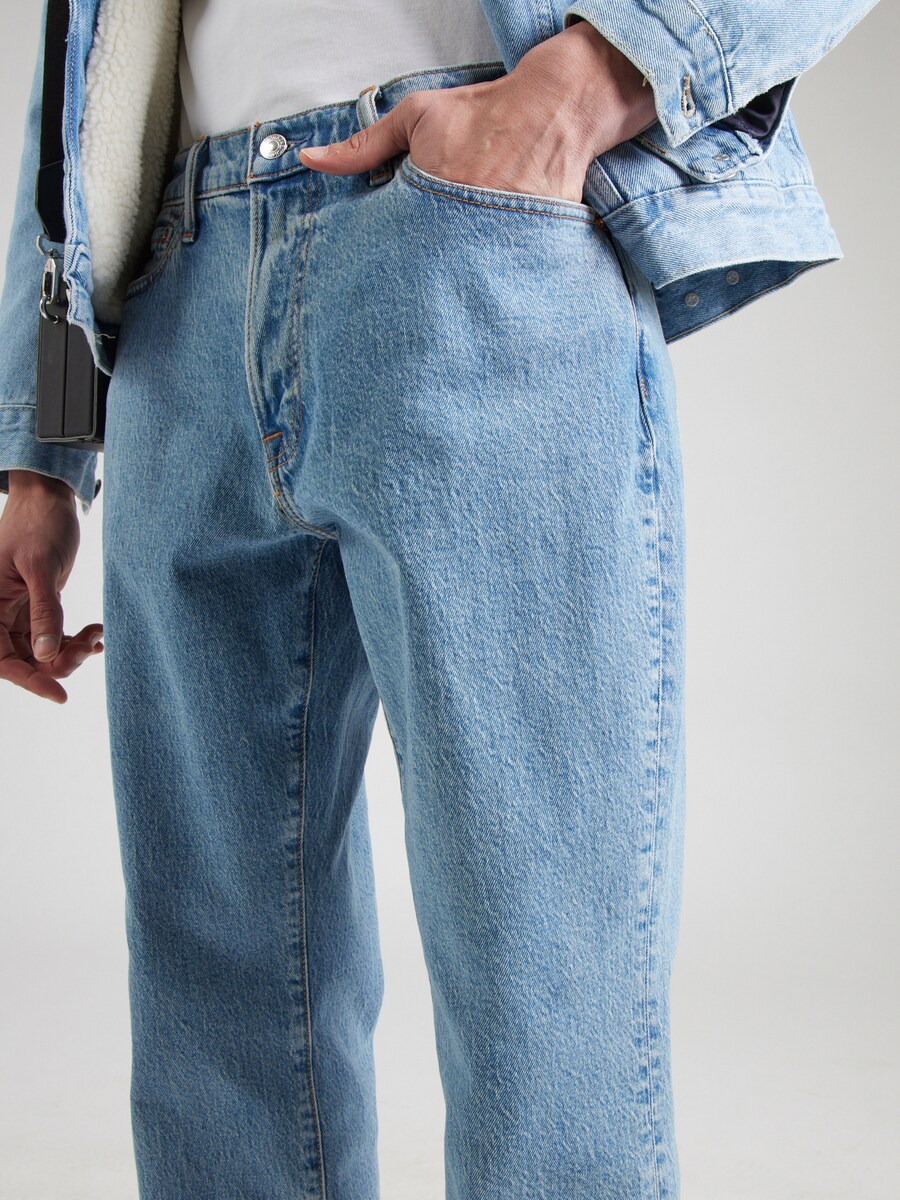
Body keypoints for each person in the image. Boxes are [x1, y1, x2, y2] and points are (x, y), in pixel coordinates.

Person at [0, 2, 882, 1197]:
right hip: (176, 283)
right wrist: (41, 453)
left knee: (536, 954)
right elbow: (75, 92)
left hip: (468, 236)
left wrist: (586, 86)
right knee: (209, 967)